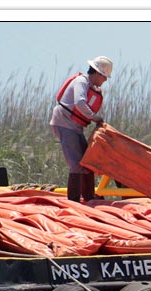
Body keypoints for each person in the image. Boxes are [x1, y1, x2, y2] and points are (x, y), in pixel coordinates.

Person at [50, 56, 113, 203]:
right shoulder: (81, 82)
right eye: (104, 77)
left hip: (75, 128)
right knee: (76, 164)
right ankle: (74, 201)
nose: (105, 80)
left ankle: (89, 197)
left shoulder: (91, 86)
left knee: (87, 162)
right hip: (64, 124)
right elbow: (79, 102)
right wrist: (95, 117)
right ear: (97, 73)